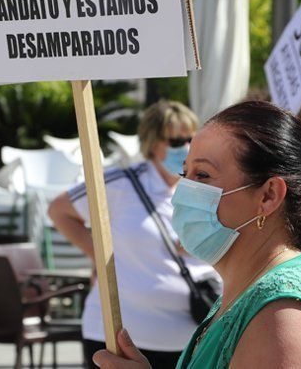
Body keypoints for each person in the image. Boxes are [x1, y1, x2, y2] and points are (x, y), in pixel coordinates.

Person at [92, 100, 301, 369]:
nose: (184, 192)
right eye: (185, 174)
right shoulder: (248, 292)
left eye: (203, 176)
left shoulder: (283, 318)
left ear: (269, 196)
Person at [49, 101, 219, 368]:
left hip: (190, 339)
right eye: (175, 141)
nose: (185, 148)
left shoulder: (205, 186)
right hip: (122, 337)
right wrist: (101, 258)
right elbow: (58, 210)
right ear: (152, 143)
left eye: (190, 139)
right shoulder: (122, 183)